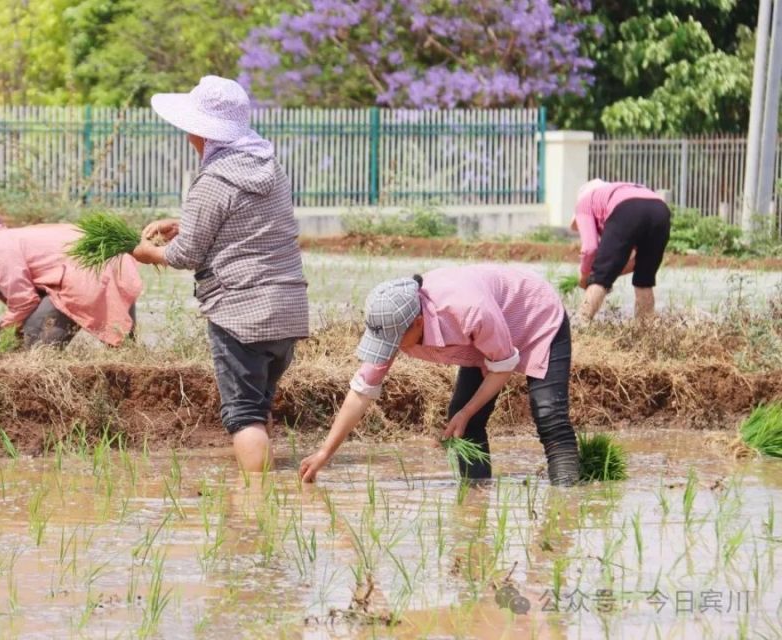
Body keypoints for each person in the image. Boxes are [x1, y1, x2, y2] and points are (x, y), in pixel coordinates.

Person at [130, 75, 309, 474]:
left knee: (243, 414)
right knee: (259, 404)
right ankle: (270, 501)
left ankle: (255, 505)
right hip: (287, 308)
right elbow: (250, 225)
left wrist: (148, 253)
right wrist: (185, 223)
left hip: (240, 311)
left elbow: (185, 255)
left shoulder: (213, 179)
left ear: (202, 132)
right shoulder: (269, 166)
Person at [298, 265, 580, 486]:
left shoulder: (468, 311)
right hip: (488, 333)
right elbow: (362, 390)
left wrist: (468, 411)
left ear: (418, 322)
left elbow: (503, 365)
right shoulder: (397, 319)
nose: (391, 349)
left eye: (396, 341)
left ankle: (567, 497)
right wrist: (324, 453)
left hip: (534, 313)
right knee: (464, 422)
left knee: (549, 414)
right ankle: (475, 498)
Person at [0, 214, 142, 348]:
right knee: (124, 348)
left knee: (36, 340)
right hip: (104, 266)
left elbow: (24, 302)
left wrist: (0, 332)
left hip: (89, 273)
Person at [572, 179, 671, 321]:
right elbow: (633, 260)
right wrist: (610, 271)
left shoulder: (585, 202)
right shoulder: (621, 191)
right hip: (660, 210)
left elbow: (590, 249)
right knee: (644, 280)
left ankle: (580, 326)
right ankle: (646, 333)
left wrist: (587, 276)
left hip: (627, 210)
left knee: (599, 278)